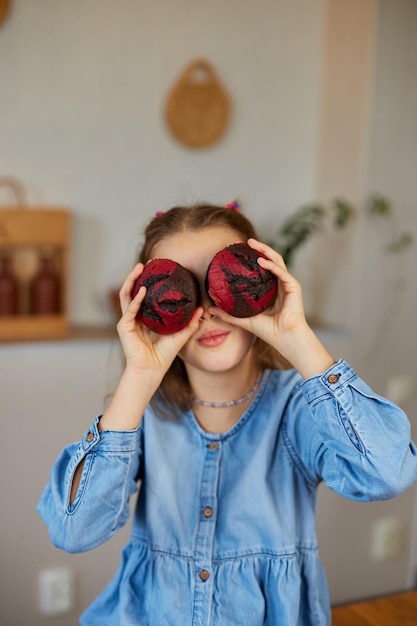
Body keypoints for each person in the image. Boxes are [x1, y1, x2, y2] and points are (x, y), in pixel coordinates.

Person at [37, 202, 417, 626]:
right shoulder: (142, 415)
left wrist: (296, 336)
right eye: (183, 289)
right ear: (147, 306)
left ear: (266, 282)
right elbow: (73, 531)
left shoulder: (298, 409)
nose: (209, 310)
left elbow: (388, 473)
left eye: (222, 281)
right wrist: (140, 375)